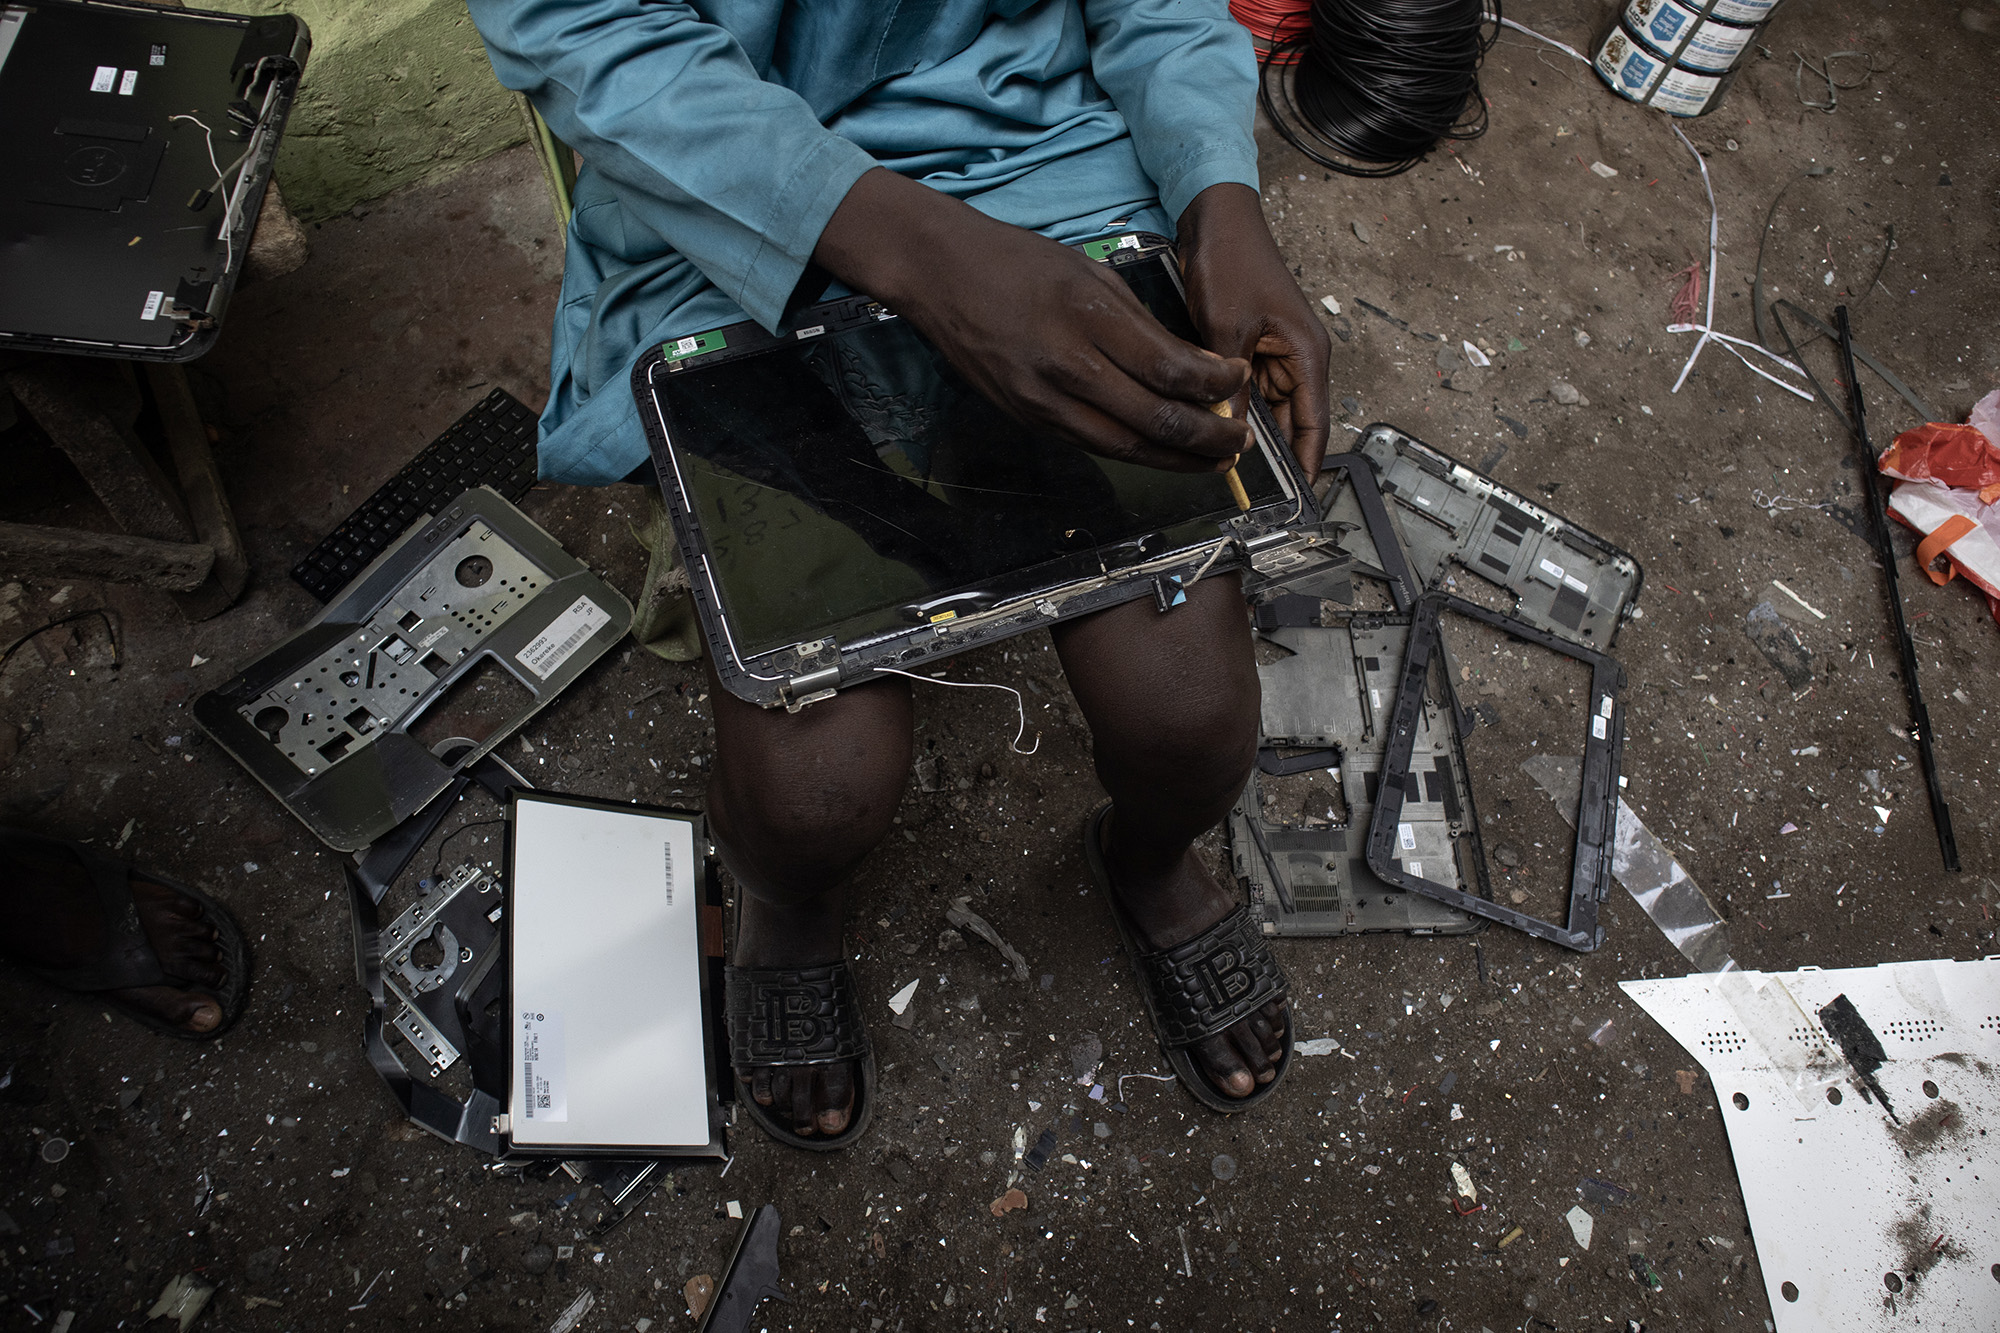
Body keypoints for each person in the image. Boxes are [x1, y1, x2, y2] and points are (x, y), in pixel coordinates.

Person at [469, 0, 1331, 1147]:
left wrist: (1221, 199)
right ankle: (789, 906)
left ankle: (1147, 857)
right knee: (812, 792)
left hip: (1044, 175)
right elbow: (588, 40)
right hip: (724, 210)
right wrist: (926, 259)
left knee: (1190, 718)